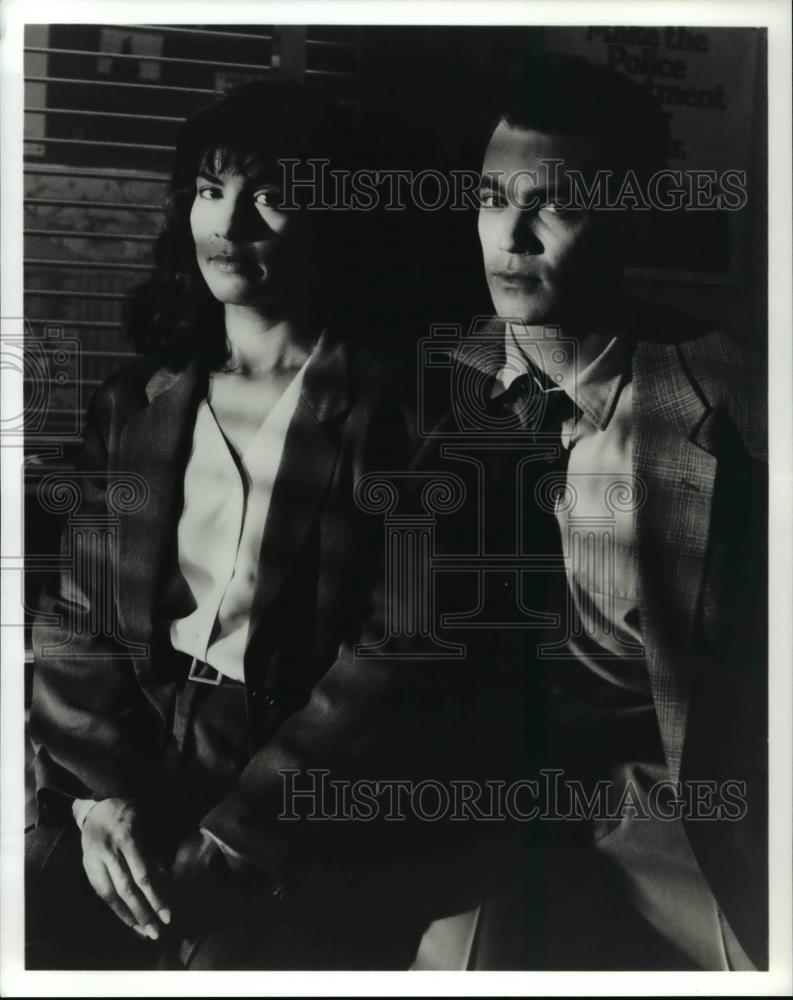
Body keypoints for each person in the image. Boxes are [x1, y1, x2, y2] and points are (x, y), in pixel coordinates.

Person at [25, 78, 429, 970]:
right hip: (131, 741)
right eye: (211, 191)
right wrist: (98, 799)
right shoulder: (134, 400)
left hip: (291, 770)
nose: (230, 223)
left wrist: (246, 828)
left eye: (271, 197)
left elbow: (397, 649)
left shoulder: (397, 413)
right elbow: (76, 611)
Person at [449, 54, 766, 969]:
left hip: (670, 805)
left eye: (556, 203)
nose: (512, 238)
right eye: (490, 198)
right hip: (465, 800)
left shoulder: (743, 405)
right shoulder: (420, 381)